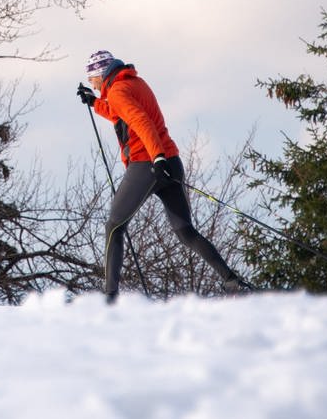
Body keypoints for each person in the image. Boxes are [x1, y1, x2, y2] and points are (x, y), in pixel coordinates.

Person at [76, 49, 252, 302]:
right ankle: (232, 280)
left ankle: (110, 299)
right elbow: (120, 113)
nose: (92, 83)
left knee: (114, 226)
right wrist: (94, 103)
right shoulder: (133, 83)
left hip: (146, 164)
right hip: (171, 162)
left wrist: (156, 157)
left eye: (92, 79)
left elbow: (140, 121)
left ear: (101, 74)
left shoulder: (117, 91)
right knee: (185, 231)